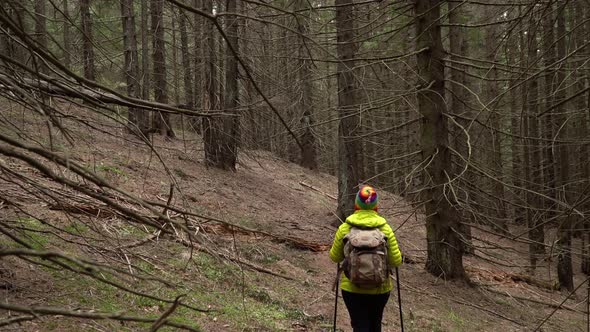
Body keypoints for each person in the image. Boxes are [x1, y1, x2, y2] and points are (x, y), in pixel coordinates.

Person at [329, 185, 403, 332]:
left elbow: (334, 257)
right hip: (380, 288)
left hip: (351, 288)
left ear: (357, 205)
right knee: (375, 324)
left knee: (359, 325)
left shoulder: (345, 228)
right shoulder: (385, 229)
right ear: (376, 206)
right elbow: (396, 261)